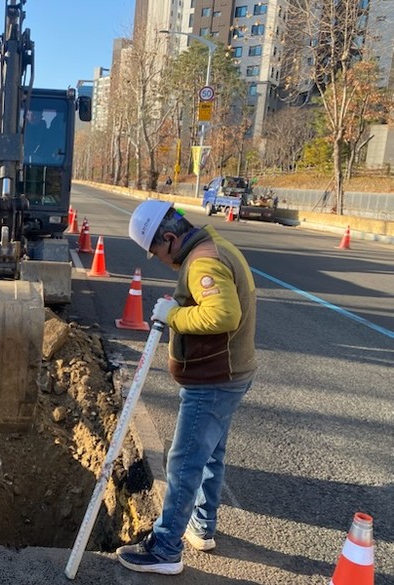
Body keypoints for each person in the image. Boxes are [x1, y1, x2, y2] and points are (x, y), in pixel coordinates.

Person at [117, 200, 257, 575]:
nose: (161, 261)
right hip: (231, 374)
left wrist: (174, 315)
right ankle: (202, 525)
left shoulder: (203, 262)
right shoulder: (216, 247)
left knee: (184, 463)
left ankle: (165, 548)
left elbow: (223, 313)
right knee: (210, 454)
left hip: (213, 380)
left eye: (157, 253)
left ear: (169, 238)